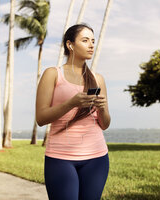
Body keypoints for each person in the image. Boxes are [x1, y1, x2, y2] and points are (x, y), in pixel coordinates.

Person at [36, 24, 111, 200]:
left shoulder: (97, 79)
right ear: (70, 45)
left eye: (93, 41)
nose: (91, 45)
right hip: (60, 158)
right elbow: (41, 118)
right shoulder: (52, 74)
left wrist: (102, 109)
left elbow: (105, 124)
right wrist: (71, 103)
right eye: (85, 40)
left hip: (97, 157)